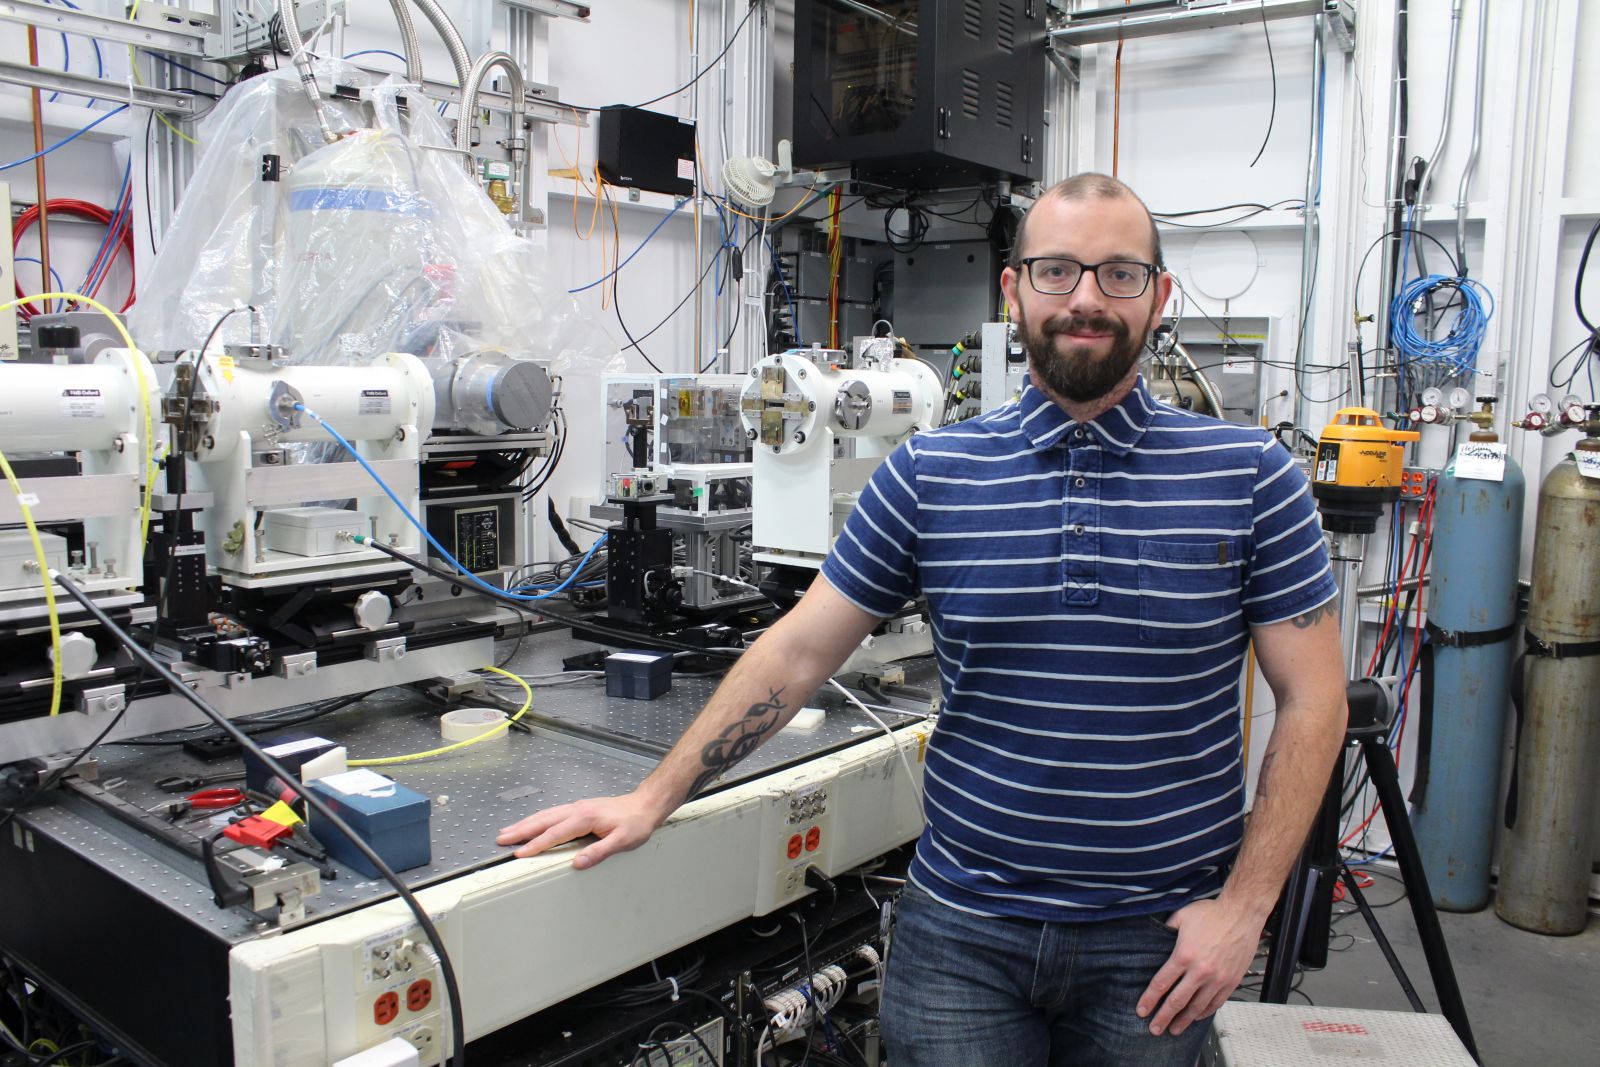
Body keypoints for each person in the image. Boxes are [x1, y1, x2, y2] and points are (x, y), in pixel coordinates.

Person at [498, 173, 1347, 1065]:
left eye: (1119, 274)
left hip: (1157, 937)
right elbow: (795, 651)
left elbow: (1313, 700)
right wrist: (651, 797)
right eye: (1056, 271)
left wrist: (1246, 910)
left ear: (1159, 295)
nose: (1086, 299)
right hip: (963, 937)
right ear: (1014, 289)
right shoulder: (930, 474)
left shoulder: (1251, 475)